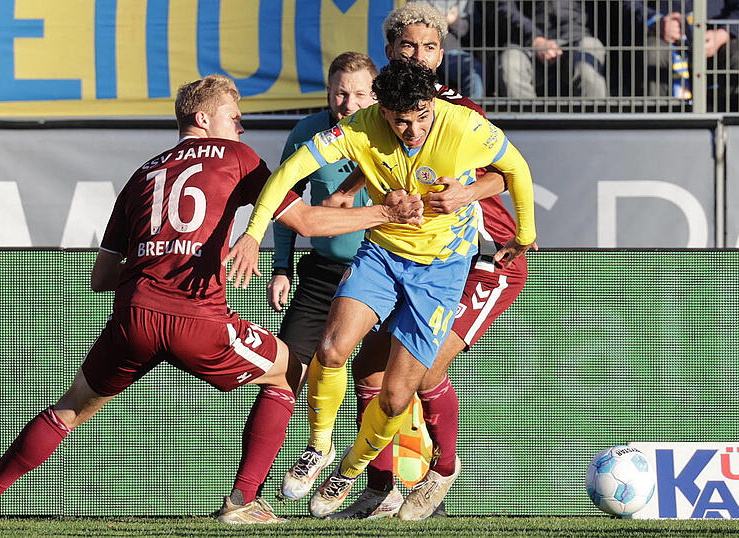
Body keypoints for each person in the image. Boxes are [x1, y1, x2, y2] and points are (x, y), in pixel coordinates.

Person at [0, 74, 424, 527]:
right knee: (290, 372)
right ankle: (242, 501)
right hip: (198, 318)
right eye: (233, 115)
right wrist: (383, 212)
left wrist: (159, 258)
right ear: (202, 120)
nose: (241, 125)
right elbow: (308, 223)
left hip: (134, 315)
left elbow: (100, 277)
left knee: (71, 406)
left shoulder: (141, 175)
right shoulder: (238, 158)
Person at [226, 59, 536, 519]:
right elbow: (288, 172)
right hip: (382, 255)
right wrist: (254, 232)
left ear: (433, 104)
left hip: (441, 271)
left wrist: (521, 233)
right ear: (382, 112)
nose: (412, 131)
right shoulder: (358, 128)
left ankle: (349, 474)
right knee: (331, 350)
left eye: (421, 118)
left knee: (395, 395)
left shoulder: (465, 125)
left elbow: (515, 168)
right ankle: (319, 448)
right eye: (400, 122)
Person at [316, 2, 538, 521]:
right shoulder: (386, 109)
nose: (421, 54)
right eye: (409, 46)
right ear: (389, 51)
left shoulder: (457, 111)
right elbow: (387, 160)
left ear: (442, 53)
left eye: (431, 46)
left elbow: (503, 173)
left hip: (486, 259)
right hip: (414, 258)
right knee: (368, 367)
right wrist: (351, 188)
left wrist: (466, 195)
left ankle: (444, 470)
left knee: (424, 367)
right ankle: (379, 487)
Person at [267, 52, 378, 378]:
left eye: (359, 94)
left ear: (375, 95)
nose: (348, 103)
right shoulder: (307, 133)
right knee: (284, 373)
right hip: (324, 274)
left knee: (379, 380)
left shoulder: (395, 131)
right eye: (341, 93)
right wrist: (282, 268)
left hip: (382, 271)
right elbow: (284, 200)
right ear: (329, 93)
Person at [636, 0, 739, 111]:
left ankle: (734, 128)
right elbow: (627, 4)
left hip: (719, 35)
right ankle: (660, 128)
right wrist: (654, 21)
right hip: (662, 34)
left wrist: (724, 32)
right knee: (654, 52)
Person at [498, 0, 609, 99]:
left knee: (590, 50)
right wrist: (534, 39)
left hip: (577, 37)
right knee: (510, 62)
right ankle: (529, 120)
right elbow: (502, 7)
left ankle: (590, 120)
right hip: (525, 41)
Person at [423, 1, 486, 100]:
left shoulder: (467, 3)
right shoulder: (421, 2)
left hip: (456, 52)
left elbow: (474, 30)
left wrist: (454, 21)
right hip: (426, 51)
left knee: (474, 76)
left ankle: (470, 111)